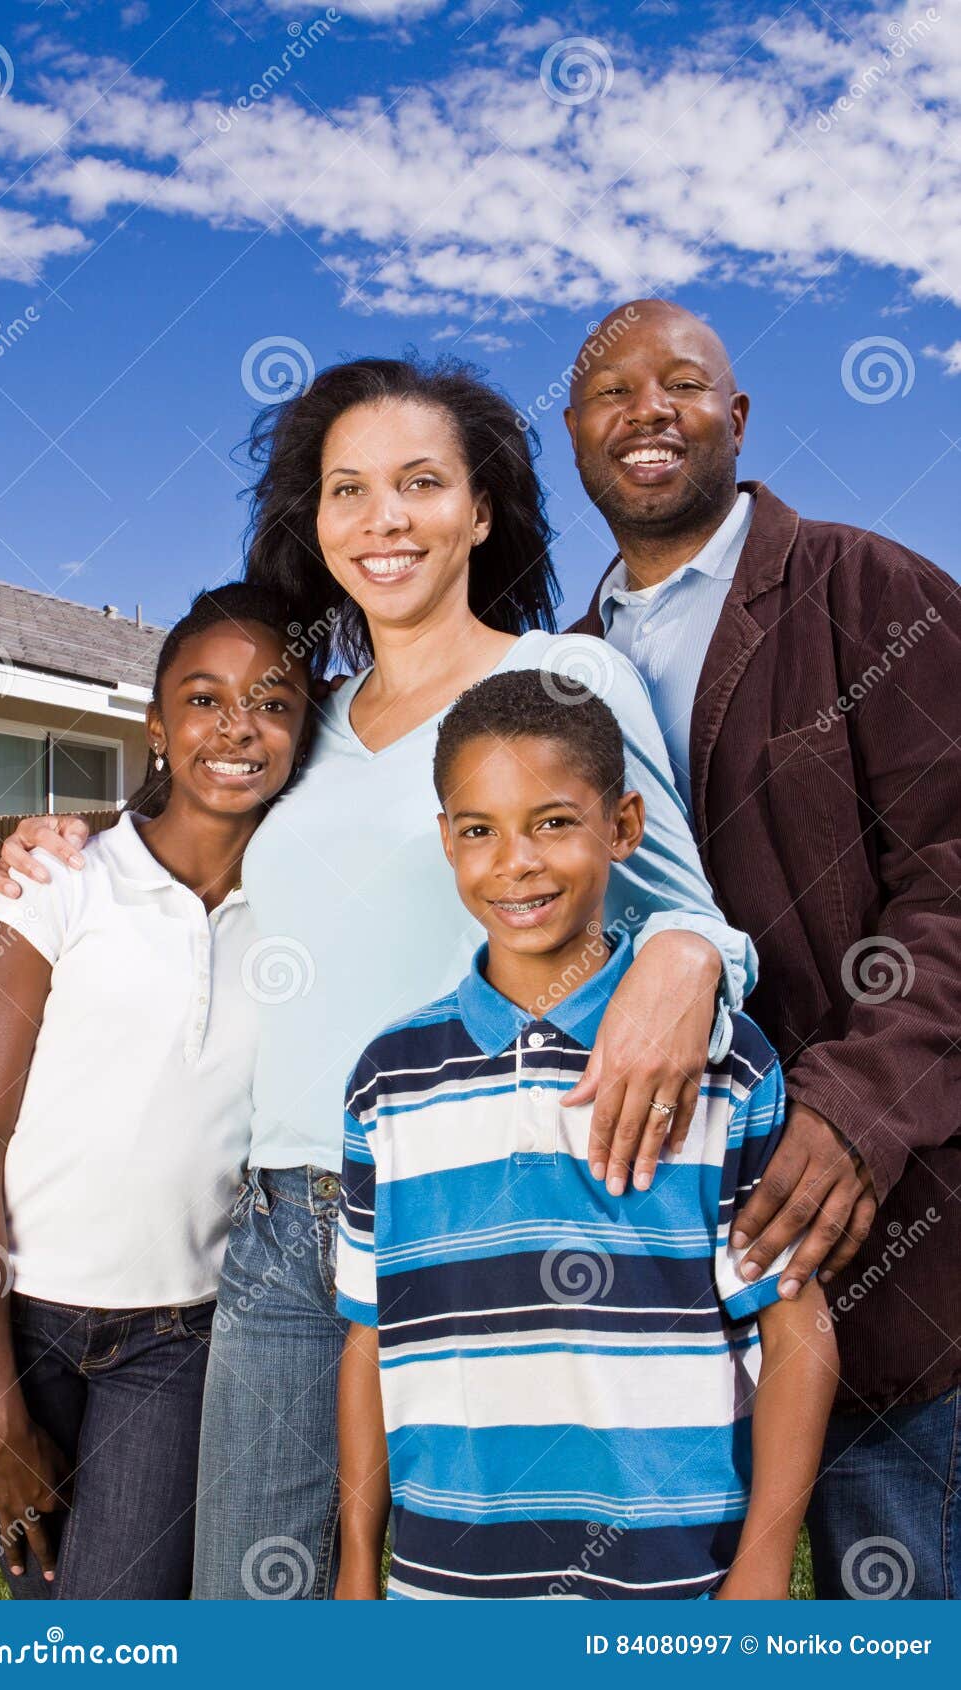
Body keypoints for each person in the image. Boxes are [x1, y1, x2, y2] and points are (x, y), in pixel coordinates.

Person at [0, 357, 755, 1599]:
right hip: (283, 1227)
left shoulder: (564, 679)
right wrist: (56, 837)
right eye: (348, 489)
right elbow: (188, 831)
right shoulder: (310, 720)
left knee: (494, 1590)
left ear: (482, 510)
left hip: (492, 1194)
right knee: (254, 1599)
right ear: (316, 520)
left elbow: (698, 924)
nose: (382, 517)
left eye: (419, 482)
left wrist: (679, 952)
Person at [563, 298, 961, 1599]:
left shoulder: (873, 595)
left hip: (881, 1264)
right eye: (610, 391)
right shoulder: (550, 681)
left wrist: (856, 1106)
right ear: (573, 435)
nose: (645, 409)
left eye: (680, 383)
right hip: (646, 1292)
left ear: (733, 419)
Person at [334, 672, 837, 1600]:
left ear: (624, 826)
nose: (514, 862)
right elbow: (370, 1338)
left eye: (553, 821)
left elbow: (795, 1322)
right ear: (446, 841)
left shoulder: (721, 1066)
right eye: (478, 830)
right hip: (443, 1586)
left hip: (671, 1587)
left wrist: (765, 1567)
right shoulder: (387, 1081)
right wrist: (357, 1563)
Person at [0, 584, 313, 1599]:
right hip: (11, 1320)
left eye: (272, 704)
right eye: (202, 699)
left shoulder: (303, 914)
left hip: (177, 1341)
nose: (237, 728)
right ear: (154, 722)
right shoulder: (62, 879)